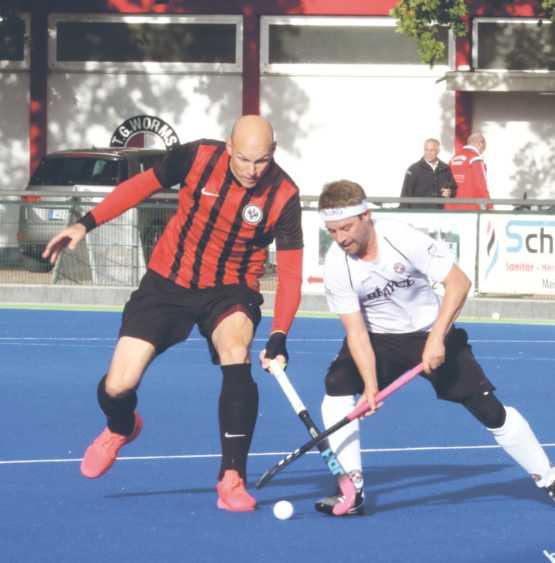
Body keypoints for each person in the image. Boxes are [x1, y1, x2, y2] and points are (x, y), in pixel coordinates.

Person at [42, 115, 304, 513]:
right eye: (244, 159)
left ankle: (231, 478)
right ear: (229, 147)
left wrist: (280, 333)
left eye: (262, 161)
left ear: (274, 152)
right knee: (117, 386)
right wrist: (85, 224)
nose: (252, 171)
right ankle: (121, 427)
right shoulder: (196, 157)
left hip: (231, 288)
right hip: (168, 281)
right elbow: (139, 187)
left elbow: (290, 272)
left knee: (236, 352)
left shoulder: (284, 195)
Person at [314, 179, 554, 516]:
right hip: (379, 338)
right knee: (337, 384)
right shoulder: (337, 265)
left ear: (366, 216)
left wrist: (437, 337)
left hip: (431, 328)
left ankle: (548, 478)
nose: (340, 238)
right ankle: (352, 488)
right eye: (332, 231)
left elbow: (459, 283)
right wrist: (370, 385)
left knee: (489, 409)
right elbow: (355, 332)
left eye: (346, 228)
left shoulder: (402, 238)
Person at [400, 138, 457, 209]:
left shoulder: (445, 169)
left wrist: (450, 193)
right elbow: (406, 193)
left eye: (432, 150)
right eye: (426, 150)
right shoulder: (413, 169)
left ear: (438, 151)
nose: (428, 153)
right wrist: (404, 212)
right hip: (419, 212)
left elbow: (453, 188)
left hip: (439, 211)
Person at [446, 132, 492, 210]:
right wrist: (489, 206)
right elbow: (480, 185)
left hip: (451, 206)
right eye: (484, 148)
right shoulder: (475, 158)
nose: (483, 151)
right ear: (480, 144)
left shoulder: (453, 158)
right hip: (470, 207)